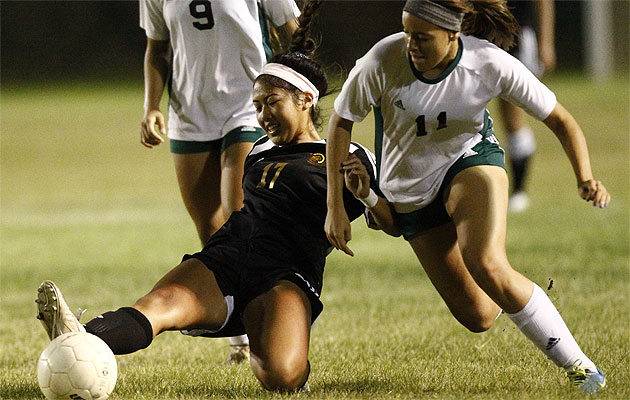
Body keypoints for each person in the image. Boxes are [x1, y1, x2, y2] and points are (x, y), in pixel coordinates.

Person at [36, 3, 390, 391]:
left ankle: (265, 334)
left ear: (306, 99)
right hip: (227, 255)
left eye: (272, 102)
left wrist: (368, 197)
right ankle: (78, 335)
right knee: (159, 305)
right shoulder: (257, 149)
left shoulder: (347, 157)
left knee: (280, 376)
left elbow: (390, 222)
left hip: (284, 273)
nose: (263, 115)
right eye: (257, 106)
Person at [325, 0, 610, 394]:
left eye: (423, 38)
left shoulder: (488, 62)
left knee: (487, 263)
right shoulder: (382, 60)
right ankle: (515, 293)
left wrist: (585, 176)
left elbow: (559, 118)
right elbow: (340, 123)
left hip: (470, 160)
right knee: (478, 316)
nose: (411, 45)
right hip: (410, 188)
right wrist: (335, 207)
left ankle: (581, 368)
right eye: (407, 33)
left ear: (453, 35)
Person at [139, 0, 300, 363]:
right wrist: (151, 106)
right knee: (211, 232)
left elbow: (294, 34)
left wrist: (298, 90)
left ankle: (276, 323)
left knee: (240, 216)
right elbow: (157, 49)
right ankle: (241, 337)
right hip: (190, 112)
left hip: (250, 105)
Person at [500, 0, 556, 212]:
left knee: (513, 117)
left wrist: (546, 41)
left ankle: (519, 191)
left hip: (517, 35)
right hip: (479, 34)